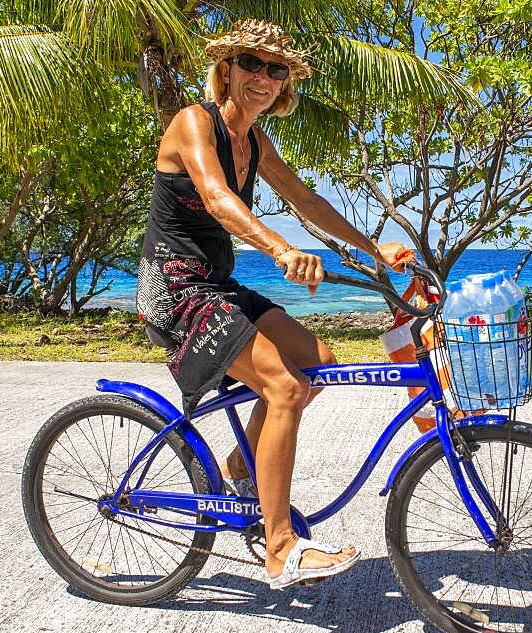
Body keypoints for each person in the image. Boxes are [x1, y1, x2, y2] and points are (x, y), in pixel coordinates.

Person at [135, 18, 409, 589]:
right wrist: (282, 248)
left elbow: (305, 199)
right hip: (175, 289)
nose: (263, 77)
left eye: (276, 69)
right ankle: (280, 548)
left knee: (319, 363)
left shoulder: (256, 140)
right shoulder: (193, 122)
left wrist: (373, 249)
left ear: (285, 85)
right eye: (252, 65)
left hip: (216, 284)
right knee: (283, 386)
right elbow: (214, 197)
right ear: (228, 69)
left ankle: (241, 465)